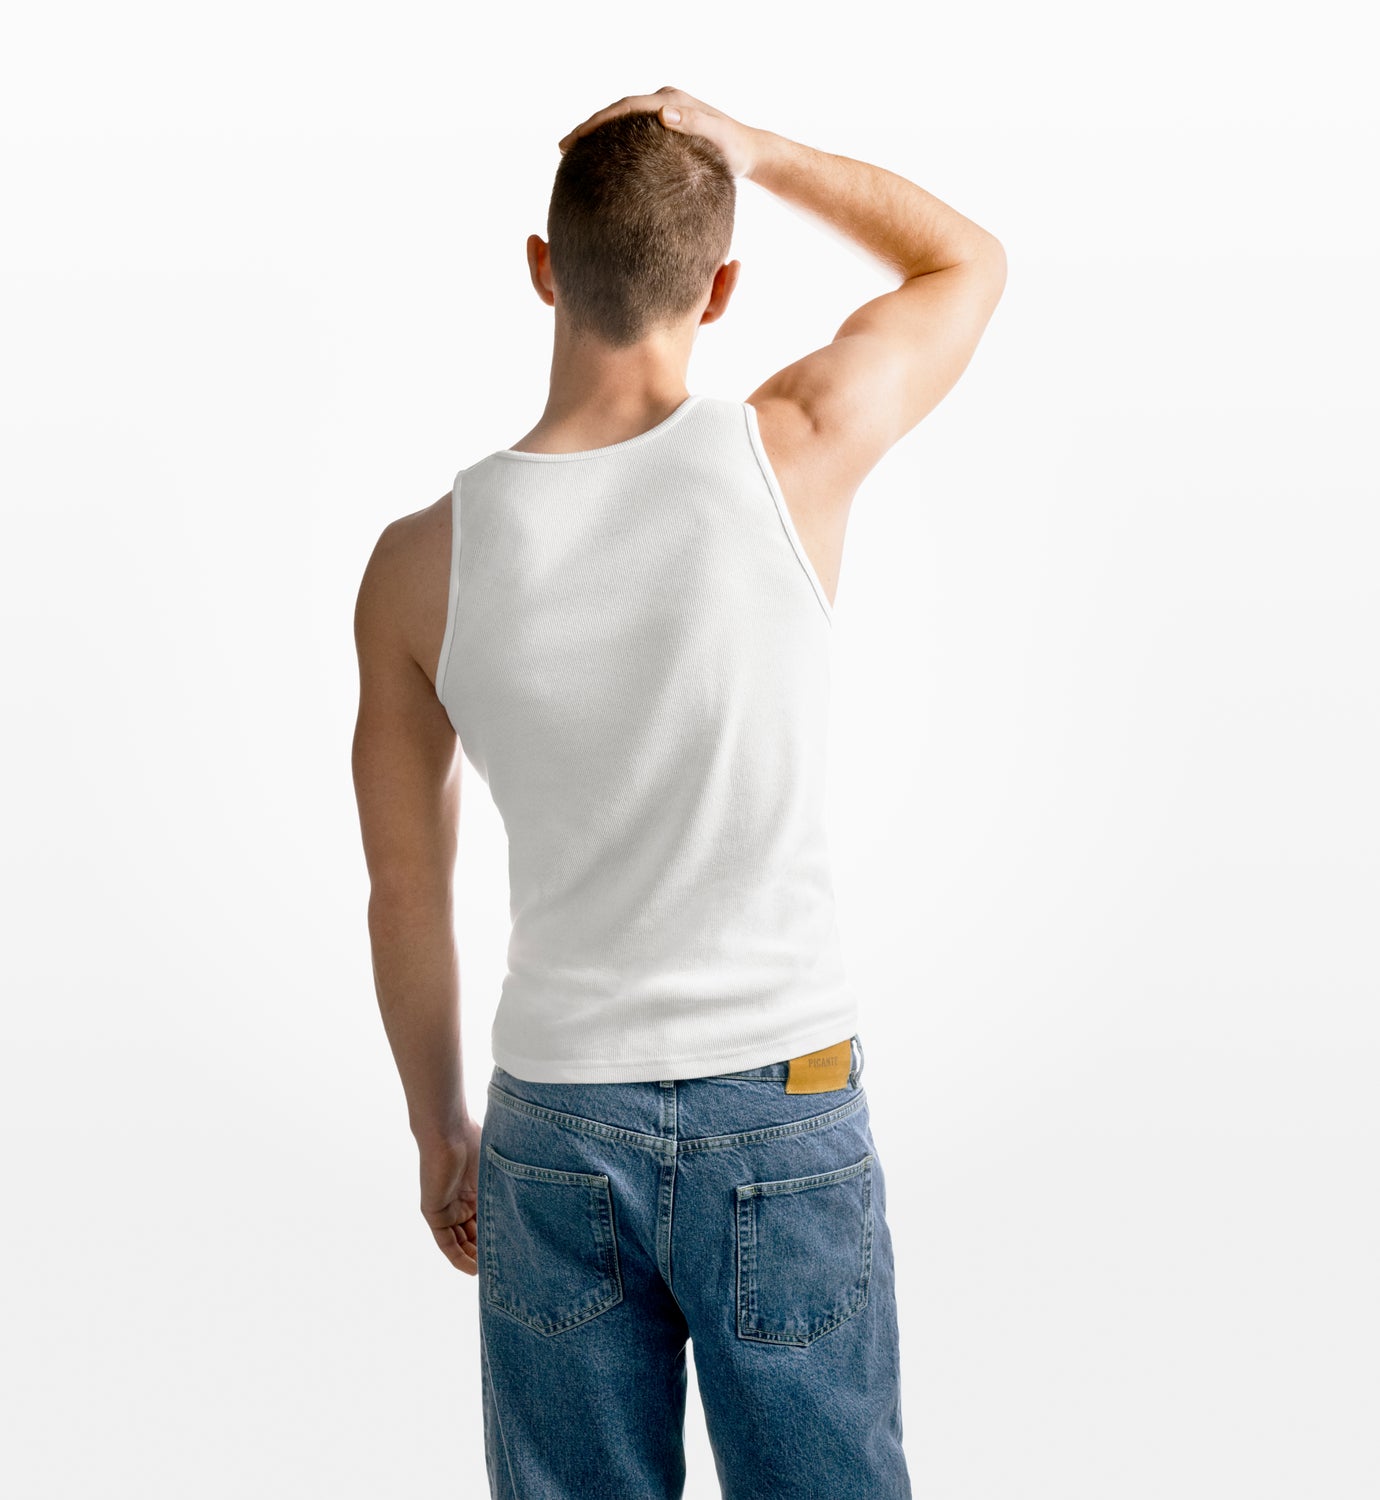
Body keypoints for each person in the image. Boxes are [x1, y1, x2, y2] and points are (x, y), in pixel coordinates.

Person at [351, 86, 1005, 1500]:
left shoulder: (417, 565)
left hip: (554, 1121)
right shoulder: (796, 445)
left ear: (543, 268)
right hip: (784, 1092)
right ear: (720, 288)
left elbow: (405, 887)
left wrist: (439, 1132)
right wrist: (753, 147)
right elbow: (966, 261)